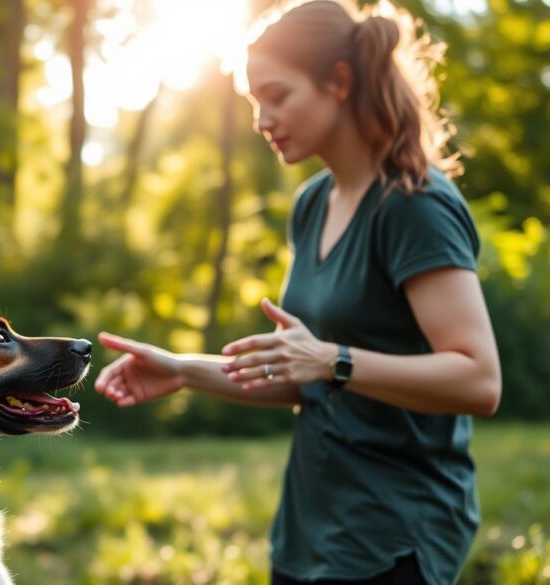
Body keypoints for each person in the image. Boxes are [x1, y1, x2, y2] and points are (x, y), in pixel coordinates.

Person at [93, 1, 501, 584]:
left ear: (340, 82)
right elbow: (311, 377)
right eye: (255, 102)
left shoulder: (415, 206)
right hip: (312, 528)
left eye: (277, 96)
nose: (262, 119)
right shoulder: (313, 204)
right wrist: (184, 370)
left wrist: (333, 359)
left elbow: (479, 380)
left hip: (395, 534)